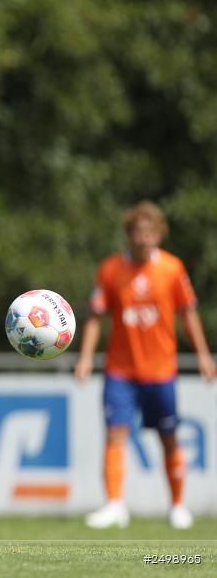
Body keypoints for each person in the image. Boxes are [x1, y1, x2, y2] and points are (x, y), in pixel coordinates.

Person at [74, 201, 215, 530]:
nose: (144, 239)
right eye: (138, 232)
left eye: (151, 232)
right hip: (120, 370)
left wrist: (204, 354)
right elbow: (96, 318)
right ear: (129, 234)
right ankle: (115, 505)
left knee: (169, 437)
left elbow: (188, 314)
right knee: (115, 434)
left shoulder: (172, 268)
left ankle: (178, 505)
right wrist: (84, 357)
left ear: (159, 235)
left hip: (160, 370)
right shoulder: (110, 270)